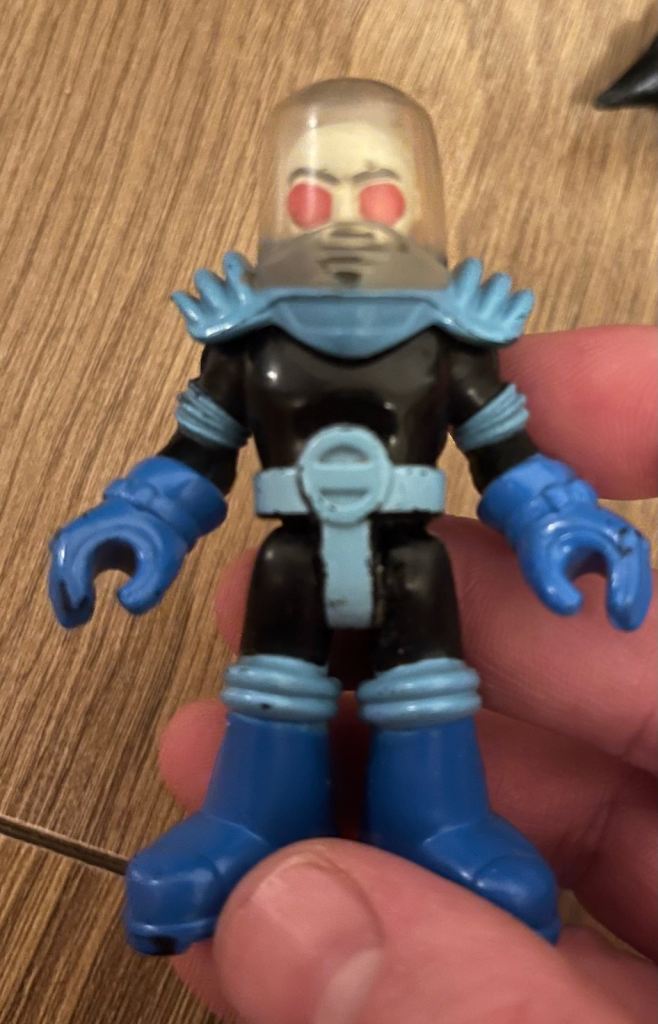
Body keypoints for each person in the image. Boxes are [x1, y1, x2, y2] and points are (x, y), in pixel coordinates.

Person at [161, 323, 657, 1024]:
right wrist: (146, 515)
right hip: (294, 553)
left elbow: (501, 446)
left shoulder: (447, 343)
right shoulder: (250, 341)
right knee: (273, 681)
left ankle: (435, 822)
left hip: (411, 559)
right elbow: (199, 447)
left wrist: (556, 517)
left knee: (427, 687)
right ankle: (253, 818)